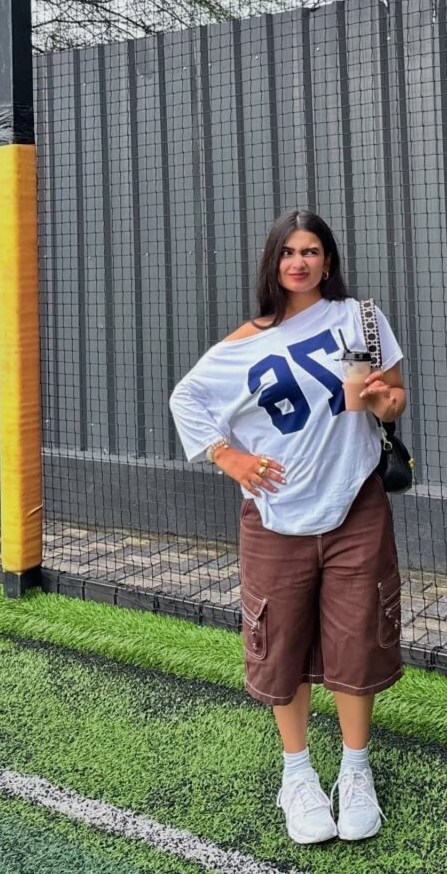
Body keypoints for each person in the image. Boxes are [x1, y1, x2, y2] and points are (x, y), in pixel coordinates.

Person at [169, 208, 407, 845]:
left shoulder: (357, 318)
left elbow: (388, 397)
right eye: (288, 253)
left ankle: (355, 770)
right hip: (277, 517)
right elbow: (184, 398)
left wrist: (390, 402)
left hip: (354, 502)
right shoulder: (240, 345)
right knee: (282, 644)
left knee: (359, 636)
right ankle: (297, 774)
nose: (299, 263)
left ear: (328, 259)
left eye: (311, 251)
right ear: (273, 263)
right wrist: (230, 456)